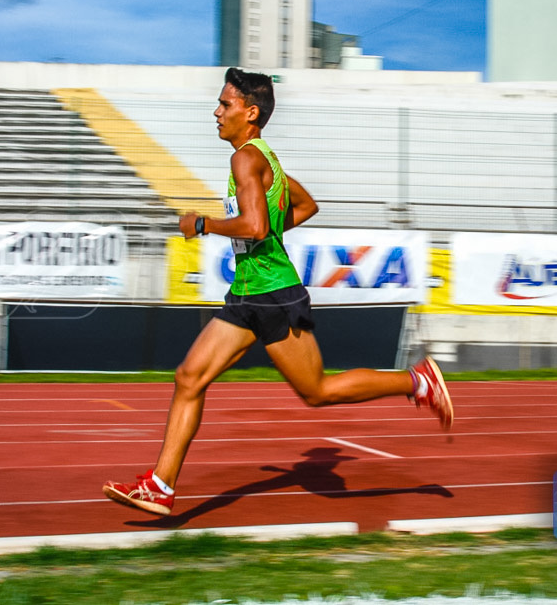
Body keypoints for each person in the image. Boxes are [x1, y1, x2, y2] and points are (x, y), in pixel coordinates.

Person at [103, 67, 453, 516]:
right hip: (247, 294)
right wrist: (262, 234)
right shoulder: (264, 159)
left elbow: (254, 225)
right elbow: (305, 207)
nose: (216, 112)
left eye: (224, 105)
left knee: (317, 392)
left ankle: (418, 381)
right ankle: (161, 487)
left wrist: (204, 224)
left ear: (250, 112)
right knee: (189, 377)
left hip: (272, 295)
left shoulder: (246, 158)